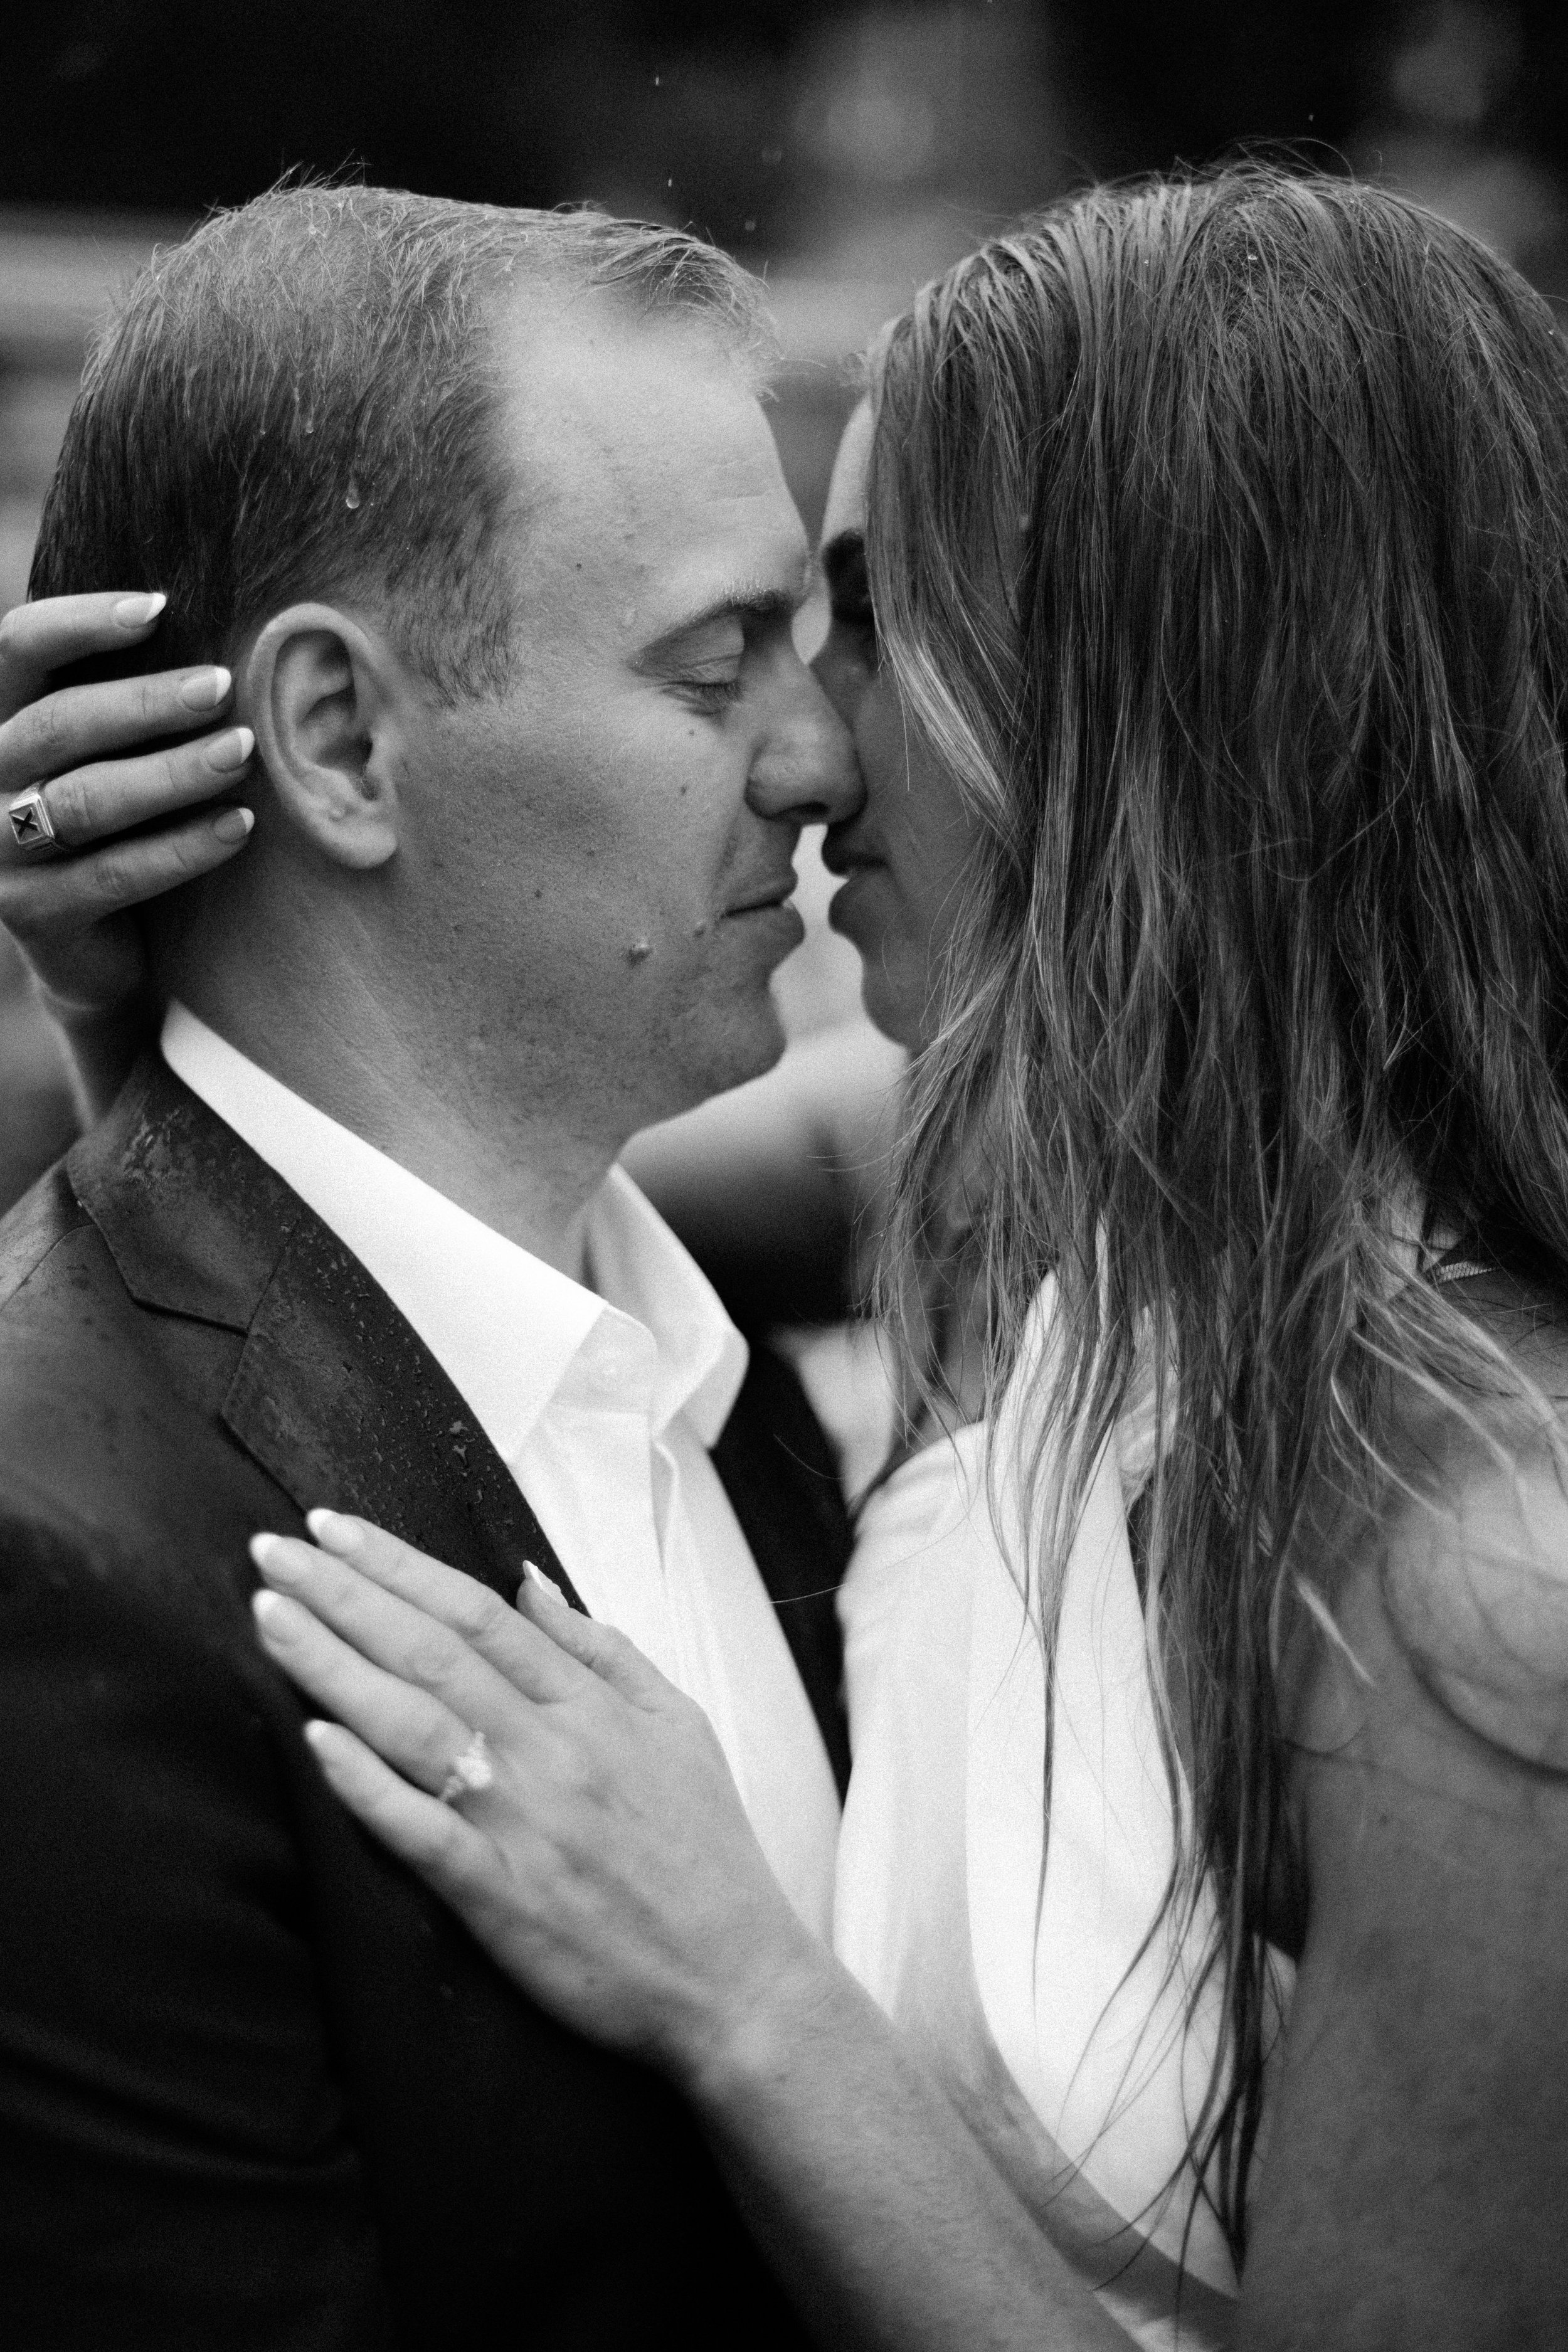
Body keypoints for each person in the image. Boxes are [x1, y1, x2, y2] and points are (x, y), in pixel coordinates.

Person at [9, 164, 1568, 2349]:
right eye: (731, 652)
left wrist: (750, 2002)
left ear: (1151, 718)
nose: (817, 750)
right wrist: (159, 993)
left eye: (860, 625)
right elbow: (355, 1257)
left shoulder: (1488, 1583)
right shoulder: (1026, 1228)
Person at [0, 179, 1089, 2351]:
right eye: (718, 663)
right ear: (337, 740)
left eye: (813, 644)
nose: (814, 760)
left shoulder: (701, 1365)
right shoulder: (58, 1572)